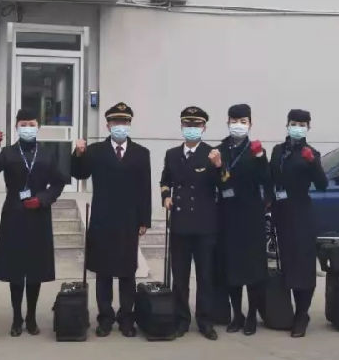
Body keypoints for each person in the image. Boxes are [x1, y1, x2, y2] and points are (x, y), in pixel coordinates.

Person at [71, 102, 151, 337]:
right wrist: (78, 154)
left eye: (124, 122)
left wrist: (144, 219)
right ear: (107, 125)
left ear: (129, 124)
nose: (120, 126)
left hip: (129, 220)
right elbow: (79, 173)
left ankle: (127, 318)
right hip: (103, 219)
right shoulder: (96, 151)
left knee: (127, 272)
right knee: (103, 271)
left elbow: (145, 189)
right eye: (116, 122)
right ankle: (105, 317)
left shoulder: (141, 153)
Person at [0, 108, 68, 336]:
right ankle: (16, 318)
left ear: (38, 127)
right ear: (16, 127)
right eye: (23, 124)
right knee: (15, 269)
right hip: (14, 214)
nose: (27, 128)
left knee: (35, 268)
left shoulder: (47, 154)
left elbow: (59, 183)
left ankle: (31, 317)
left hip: (39, 215)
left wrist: (43, 199)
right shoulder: (8, 153)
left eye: (31, 124)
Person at [159, 106, 222, 340]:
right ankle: (181, 320)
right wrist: (166, 197)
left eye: (196, 125)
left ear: (204, 128)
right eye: (188, 125)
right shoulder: (172, 154)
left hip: (205, 225)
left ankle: (205, 321)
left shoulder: (212, 154)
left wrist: (219, 166)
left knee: (205, 276)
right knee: (180, 277)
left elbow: (224, 184)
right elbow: (165, 180)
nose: (192, 129)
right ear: (182, 126)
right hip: (181, 224)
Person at [269, 109, 328, 337]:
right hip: (281, 212)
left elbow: (322, 184)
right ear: (287, 124)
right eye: (294, 123)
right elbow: (271, 177)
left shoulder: (310, 152)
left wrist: (313, 163)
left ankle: (302, 314)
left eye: (302, 124)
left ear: (308, 128)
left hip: (302, 213)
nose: (297, 127)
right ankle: (291, 310)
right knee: (289, 265)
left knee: (303, 265)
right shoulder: (278, 150)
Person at [216, 104, 271, 336]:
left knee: (253, 269)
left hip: (251, 216)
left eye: (243, 121)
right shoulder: (220, 149)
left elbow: (266, 179)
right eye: (234, 121)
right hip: (228, 215)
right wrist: (218, 167)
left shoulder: (255, 150)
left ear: (250, 124)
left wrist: (260, 158)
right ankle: (236, 314)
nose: (238, 125)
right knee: (233, 268)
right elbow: (216, 181)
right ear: (228, 122)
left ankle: (251, 315)